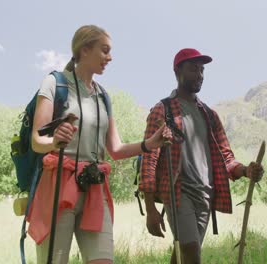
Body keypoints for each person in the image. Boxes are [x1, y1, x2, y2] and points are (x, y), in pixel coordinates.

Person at [26, 25, 171, 264]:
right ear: (84, 49)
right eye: (104, 51)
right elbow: (37, 141)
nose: (110, 57)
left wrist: (149, 144)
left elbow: (115, 150)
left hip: (94, 187)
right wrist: (54, 140)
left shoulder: (103, 96)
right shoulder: (55, 83)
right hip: (58, 187)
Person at [139, 48, 264, 264]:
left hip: (205, 195)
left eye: (202, 70)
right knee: (192, 253)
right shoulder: (163, 110)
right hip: (178, 193)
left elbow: (225, 157)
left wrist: (245, 170)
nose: (199, 75)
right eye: (193, 69)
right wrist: (150, 208)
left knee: (183, 255)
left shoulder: (209, 115)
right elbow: (149, 160)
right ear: (177, 71)